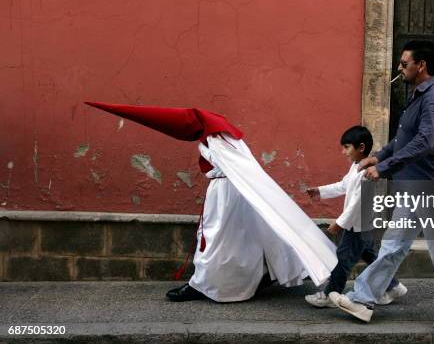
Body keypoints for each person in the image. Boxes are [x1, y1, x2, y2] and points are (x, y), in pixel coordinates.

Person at [85, 102, 337, 302]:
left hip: (227, 196)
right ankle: (249, 278)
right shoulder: (226, 139)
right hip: (233, 193)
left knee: (215, 240)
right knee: (236, 241)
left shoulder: (218, 141)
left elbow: (239, 171)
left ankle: (204, 285)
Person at [328, 41, 434, 331]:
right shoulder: (419, 96)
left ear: (420, 65)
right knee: (392, 246)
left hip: (431, 189)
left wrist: (383, 168)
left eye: (404, 63)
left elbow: (425, 143)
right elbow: (404, 140)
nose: (400, 68)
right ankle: (362, 299)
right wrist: (379, 155)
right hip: (414, 189)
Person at [304, 126, 407, 308]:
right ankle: (393, 286)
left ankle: (330, 294)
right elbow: (343, 186)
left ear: (361, 147)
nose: (343, 152)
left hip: (357, 224)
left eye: (346, 147)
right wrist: (320, 191)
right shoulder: (355, 167)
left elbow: (356, 203)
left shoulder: (367, 172)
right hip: (359, 223)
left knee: (343, 258)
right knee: (369, 255)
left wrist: (340, 223)